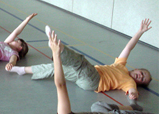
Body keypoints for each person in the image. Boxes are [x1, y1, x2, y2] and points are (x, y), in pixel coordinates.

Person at [0, 29, 158, 114]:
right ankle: (61, 50)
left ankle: (134, 107)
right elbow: (60, 85)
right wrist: (56, 54)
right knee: (81, 64)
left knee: (97, 106)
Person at [13, 19, 152, 101]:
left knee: (81, 62)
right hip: (85, 79)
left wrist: (133, 94)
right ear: (138, 69)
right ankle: (22, 70)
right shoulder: (121, 65)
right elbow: (128, 47)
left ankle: (57, 47)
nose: (140, 76)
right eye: (142, 73)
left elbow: (132, 91)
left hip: (94, 80)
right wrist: (139, 32)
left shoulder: (129, 82)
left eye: (142, 79)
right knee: (56, 68)